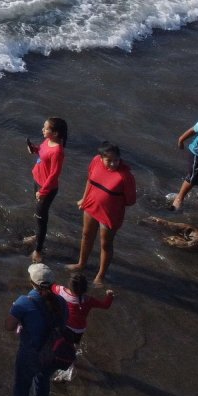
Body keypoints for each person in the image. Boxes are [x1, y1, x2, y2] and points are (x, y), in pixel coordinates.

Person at [0, 262, 70, 396]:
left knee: (22, 383)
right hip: (53, 351)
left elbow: (8, 326)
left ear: (32, 282)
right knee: (43, 378)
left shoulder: (24, 302)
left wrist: (16, 312)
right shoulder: (62, 302)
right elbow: (63, 322)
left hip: (31, 352)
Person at [73, 141, 137, 284]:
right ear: (101, 158)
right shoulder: (95, 161)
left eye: (116, 160)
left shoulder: (125, 176)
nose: (113, 164)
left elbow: (131, 200)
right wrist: (84, 198)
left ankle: (100, 276)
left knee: (105, 244)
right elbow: (90, 180)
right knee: (86, 235)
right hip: (91, 205)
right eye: (109, 160)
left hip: (110, 214)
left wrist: (110, 200)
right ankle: (81, 264)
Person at [27, 117, 68, 262]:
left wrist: (43, 191)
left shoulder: (58, 151)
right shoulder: (47, 141)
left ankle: (38, 251)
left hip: (46, 188)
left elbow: (54, 174)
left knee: (41, 219)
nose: (42, 130)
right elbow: (42, 151)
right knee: (37, 213)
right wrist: (35, 149)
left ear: (55, 133)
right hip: (37, 182)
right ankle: (37, 236)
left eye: (46, 128)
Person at [52, 271, 113, 358]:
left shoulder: (59, 290)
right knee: (73, 344)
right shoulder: (88, 300)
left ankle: (57, 353)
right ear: (85, 288)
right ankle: (72, 356)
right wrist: (110, 295)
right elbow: (105, 305)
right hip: (79, 329)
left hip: (65, 325)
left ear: (69, 284)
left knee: (60, 340)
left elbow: (50, 286)